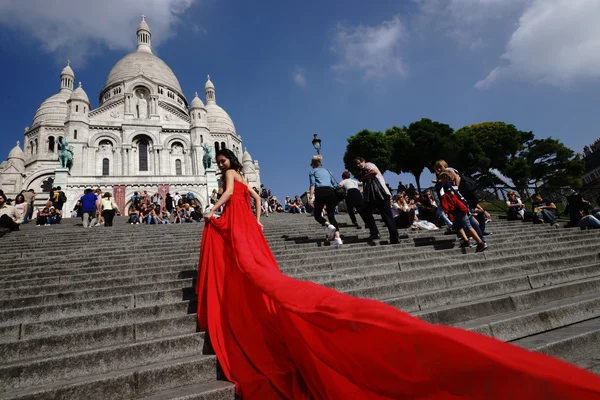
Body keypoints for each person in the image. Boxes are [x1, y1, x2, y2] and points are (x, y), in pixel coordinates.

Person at [196, 154, 600, 400]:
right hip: (246, 223)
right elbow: (251, 196)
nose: (222, 166)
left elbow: (237, 195)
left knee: (252, 267)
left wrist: (215, 208)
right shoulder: (240, 175)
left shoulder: (231, 179)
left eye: (224, 161)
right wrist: (260, 218)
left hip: (237, 220)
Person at [354, 157, 399, 244]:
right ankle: (394, 237)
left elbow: (374, 171)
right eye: (356, 164)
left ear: (364, 161)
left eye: (359, 163)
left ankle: (376, 233)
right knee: (386, 216)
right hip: (379, 194)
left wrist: (363, 177)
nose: (358, 165)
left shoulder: (368, 165)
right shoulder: (364, 169)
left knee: (369, 212)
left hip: (378, 193)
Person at [439, 172, 487, 252]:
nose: (440, 180)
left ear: (445, 177)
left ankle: (480, 242)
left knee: (468, 226)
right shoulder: (453, 184)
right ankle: (466, 241)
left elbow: (451, 194)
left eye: (441, 178)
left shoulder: (446, 184)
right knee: (459, 226)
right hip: (463, 206)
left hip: (458, 209)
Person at [308, 155, 343, 247]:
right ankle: (338, 238)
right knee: (332, 216)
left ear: (313, 164)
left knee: (317, 215)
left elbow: (313, 185)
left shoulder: (312, 171)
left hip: (320, 191)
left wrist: (311, 198)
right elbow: (332, 183)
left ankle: (328, 226)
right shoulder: (328, 171)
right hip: (331, 192)